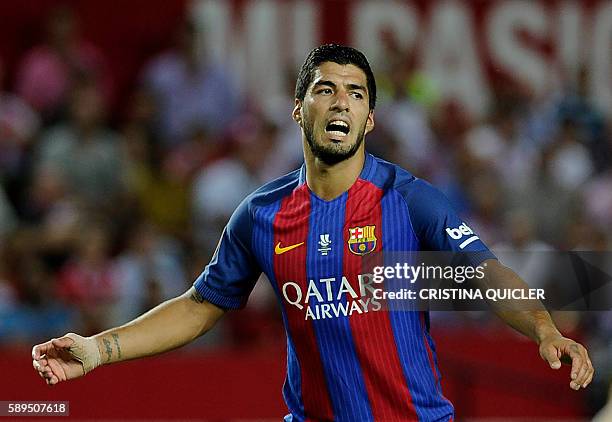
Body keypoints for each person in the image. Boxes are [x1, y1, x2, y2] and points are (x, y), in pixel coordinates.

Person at [32, 44, 594, 421]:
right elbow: (201, 305)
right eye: (326, 89)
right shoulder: (261, 214)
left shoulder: (407, 198)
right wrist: (100, 348)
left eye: (356, 92)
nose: (341, 101)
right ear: (299, 110)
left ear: (369, 119)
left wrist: (543, 326)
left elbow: (485, 273)